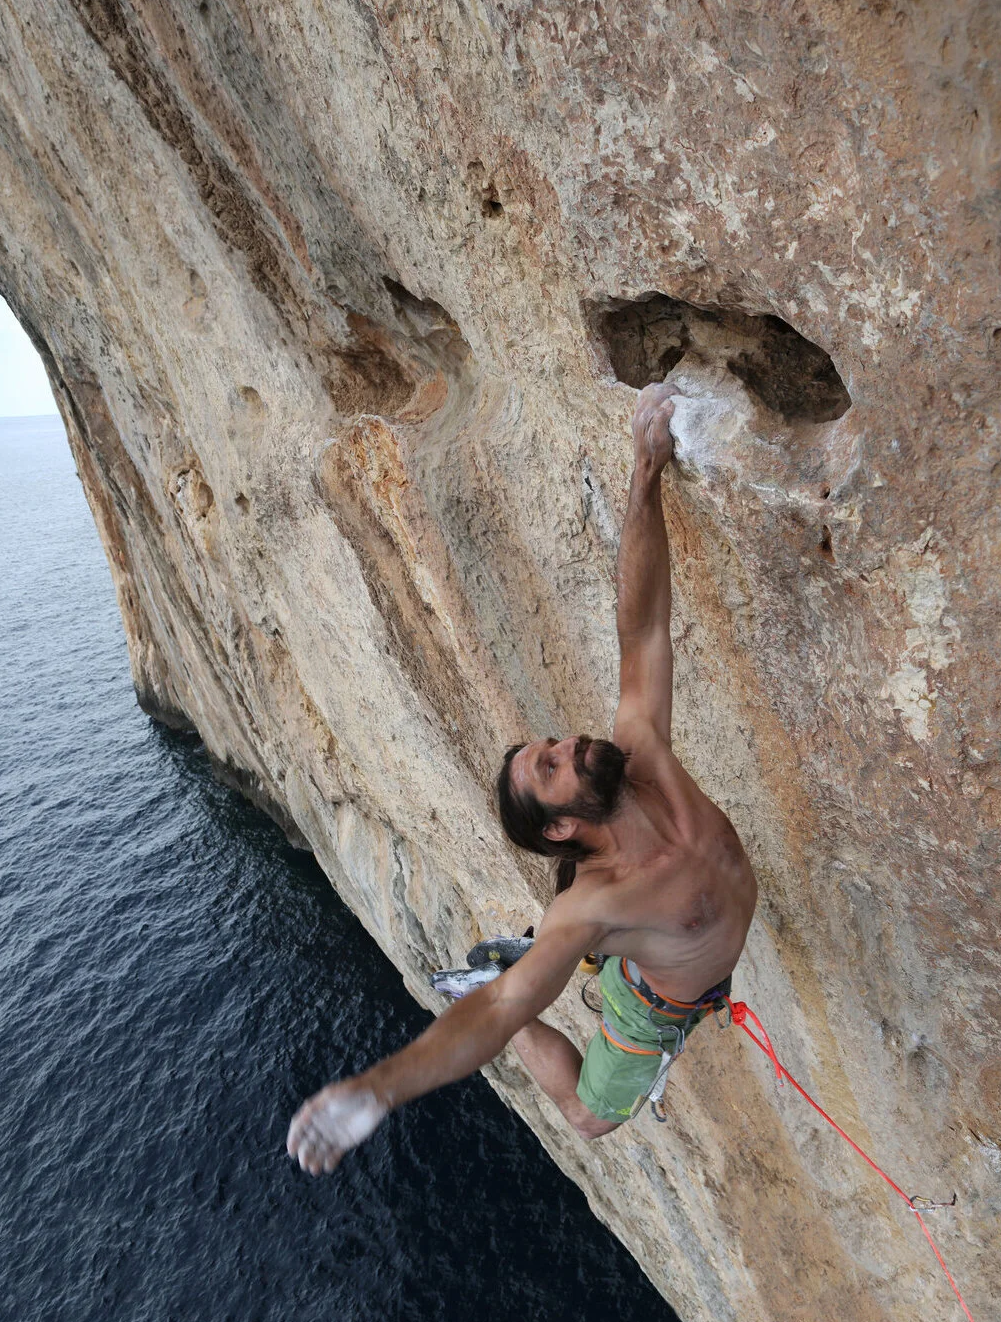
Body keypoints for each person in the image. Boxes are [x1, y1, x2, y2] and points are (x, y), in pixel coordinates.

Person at [287, 382, 758, 1173]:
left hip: (660, 955)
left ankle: (563, 958)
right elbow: (504, 1012)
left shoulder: (643, 754)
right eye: (553, 764)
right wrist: (375, 1090)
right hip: (651, 1006)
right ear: (561, 826)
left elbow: (640, 623)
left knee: (615, 957)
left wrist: (644, 473)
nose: (571, 742)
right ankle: (495, 961)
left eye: (553, 743)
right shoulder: (593, 907)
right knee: (585, 1116)